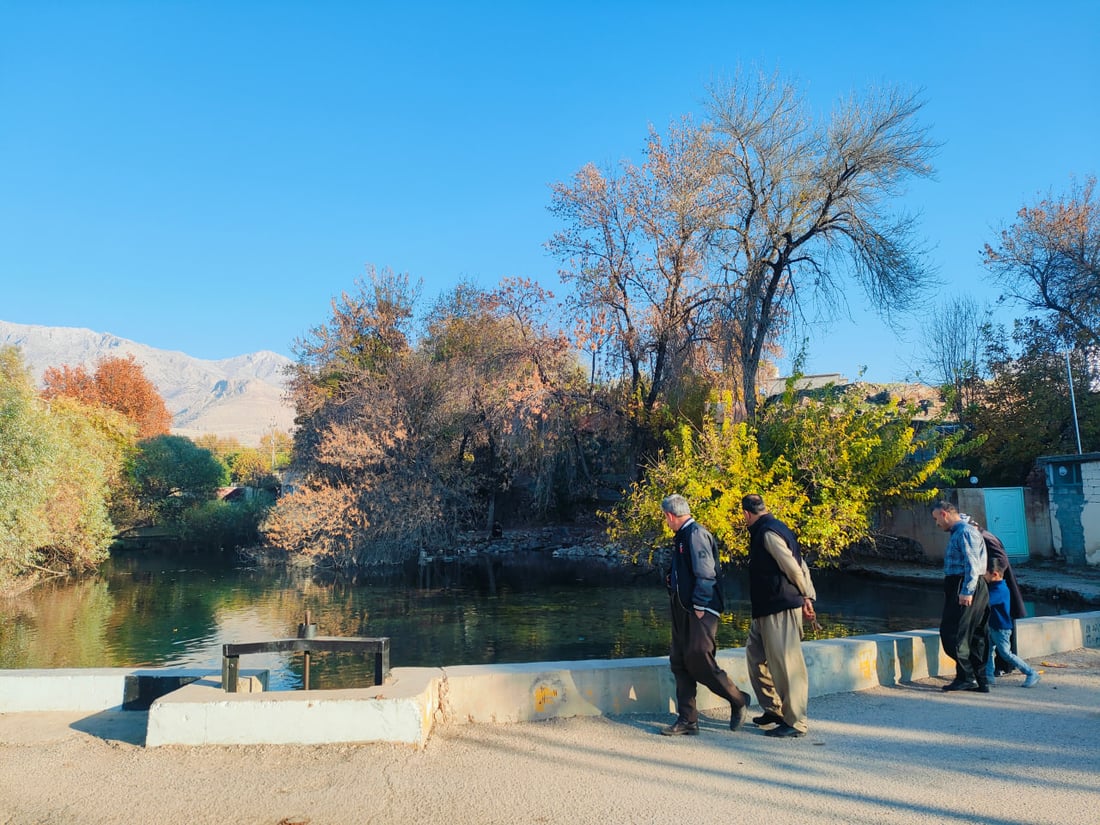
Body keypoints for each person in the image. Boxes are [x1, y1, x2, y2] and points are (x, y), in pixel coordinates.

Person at [659, 494, 750, 736]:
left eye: (665, 518)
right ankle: (688, 719)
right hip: (682, 607)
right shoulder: (682, 535)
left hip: (700, 609)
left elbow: (706, 573)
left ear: (670, 515)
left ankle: (738, 699)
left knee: (699, 657)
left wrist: (700, 604)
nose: (666, 522)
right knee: (679, 661)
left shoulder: (695, 534)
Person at [742, 493, 816, 738]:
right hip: (766, 608)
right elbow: (801, 563)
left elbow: (794, 567)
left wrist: (806, 596)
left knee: (787, 664)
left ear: (746, 514)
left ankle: (796, 721)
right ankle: (774, 709)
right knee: (755, 656)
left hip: (780, 607)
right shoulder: (773, 528)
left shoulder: (768, 533)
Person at [931, 500, 990, 692]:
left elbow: (972, 564)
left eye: (936, 518)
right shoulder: (963, 530)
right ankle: (979, 679)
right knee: (973, 635)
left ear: (944, 514)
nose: (937, 523)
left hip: (964, 584)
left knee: (952, 633)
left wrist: (967, 591)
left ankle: (967, 677)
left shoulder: (965, 532)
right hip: (967, 584)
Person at [964, 516, 1027, 675]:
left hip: (997, 583)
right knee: (993, 642)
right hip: (994, 582)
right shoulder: (983, 536)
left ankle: (1009, 667)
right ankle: (992, 672)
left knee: (1003, 644)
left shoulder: (986, 538)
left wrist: (989, 574)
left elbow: (1001, 560)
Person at [985, 556, 1041, 688]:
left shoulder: (999, 590)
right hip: (993, 625)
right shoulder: (996, 586)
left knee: (1006, 653)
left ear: (995, 574)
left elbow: (986, 603)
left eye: (985, 574)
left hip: (1001, 628)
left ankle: (1031, 673)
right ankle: (988, 677)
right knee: (988, 651)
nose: (983, 576)